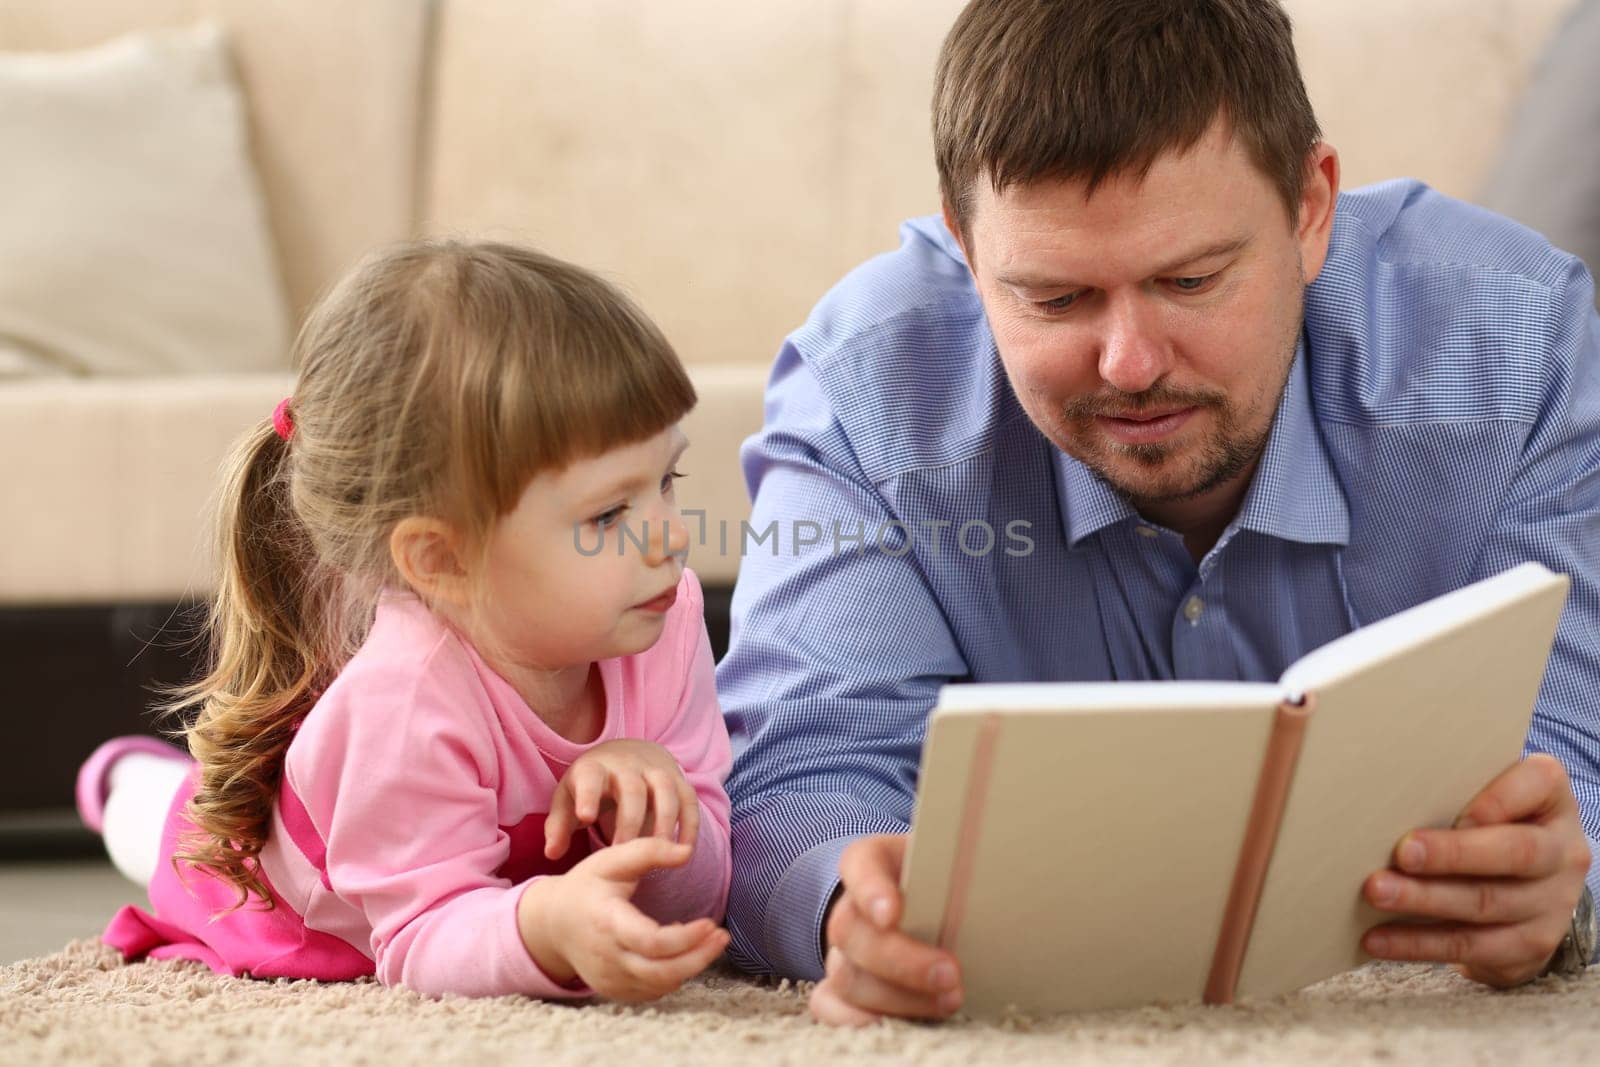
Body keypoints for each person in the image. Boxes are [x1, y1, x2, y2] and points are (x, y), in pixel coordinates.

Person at [716, 0, 1600, 1026]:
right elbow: (802, 772)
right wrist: (847, 905)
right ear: (963, 244)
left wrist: (1559, 881)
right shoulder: (863, 397)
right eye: (1053, 298)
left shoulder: (1518, 349)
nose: (1129, 364)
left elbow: (1577, 743)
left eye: (1190, 279)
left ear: (1311, 208)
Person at [74, 240, 733, 1002]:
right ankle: (120, 778)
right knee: (177, 834)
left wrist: (667, 837)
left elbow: (704, 892)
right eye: (611, 512)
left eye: (668, 480)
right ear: (442, 559)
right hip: (288, 899)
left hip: (398, 815)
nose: (671, 536)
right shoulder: (405, 698)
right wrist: (540, 925)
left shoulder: (661, 618)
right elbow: (421, 939)